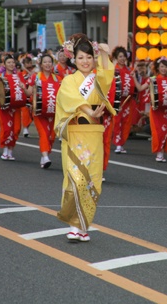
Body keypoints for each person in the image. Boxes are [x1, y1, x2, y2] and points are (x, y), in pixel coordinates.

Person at [54, 34, 115, 242]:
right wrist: (89, 110)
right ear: (73, 59)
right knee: (75, 179)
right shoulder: (69, 80)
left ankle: (83, 225)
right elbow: (68, 99)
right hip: (74, 134)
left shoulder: (97, 80)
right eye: (81, 58)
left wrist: (105, 53)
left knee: (92, 181)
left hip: (93, 136)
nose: (85, 61)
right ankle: (73, 225)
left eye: (89, 57)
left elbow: (108, 74)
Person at [26, 53, 60, 168]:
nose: (47, 64)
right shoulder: (36, 77)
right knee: (44, 133)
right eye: (45, 62)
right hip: (39, 112)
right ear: (40, 64)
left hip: (53, 112)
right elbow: (29, 93)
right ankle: (45, 157)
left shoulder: (58, 78)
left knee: (51, 136)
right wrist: (22, 87)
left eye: (49, 62)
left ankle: (44, 155)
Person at [0, 55, 28, 161]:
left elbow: (25, 90)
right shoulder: (0, 76)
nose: (11, 64)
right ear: (4, 64)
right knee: (7, 129)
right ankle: (5, 150)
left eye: (13, 62)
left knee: (16, 129)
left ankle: (11, 150)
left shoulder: (19, 76)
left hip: (15, 107)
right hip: (4, 107)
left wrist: (23, 88)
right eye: (9, 62)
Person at [111, 46, 143, 154]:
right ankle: (118, 144)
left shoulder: (131, 70)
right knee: (117, 122)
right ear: (116, 57)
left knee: (126, 122)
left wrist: (136, 76)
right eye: (120, 56)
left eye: (124, 56)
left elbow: (137, 85)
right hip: (116, 101)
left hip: (128, 101)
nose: (122, 59)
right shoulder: (113, 70)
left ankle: (121, 142)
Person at [19, 55, 37, 138]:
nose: (29, 65)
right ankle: (25, 128)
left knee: (33, 112)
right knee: (25, 112)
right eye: (27, 63)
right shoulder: (21, 73)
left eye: (30, 63)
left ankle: (29, 127)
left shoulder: (35, 72)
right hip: (25, 93)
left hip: (33, 94)